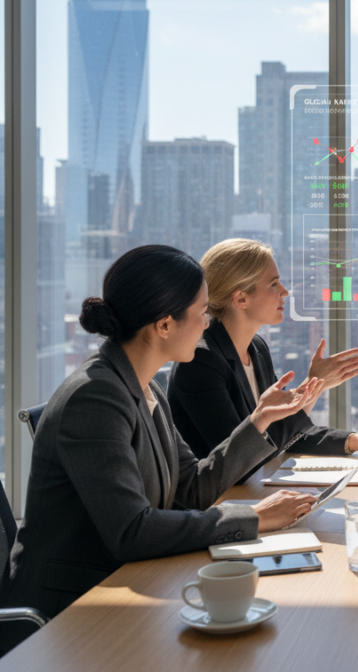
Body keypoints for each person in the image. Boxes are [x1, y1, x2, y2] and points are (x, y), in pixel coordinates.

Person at [0, 246, 322, 653]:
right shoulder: (95, 398)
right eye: (203, 312)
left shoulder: (145, 386)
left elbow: (191, 486)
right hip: (67, 615)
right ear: (164, 325)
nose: (208, 324)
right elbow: (131, 531)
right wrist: (250, 518)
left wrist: (259, 420)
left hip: (125, 586)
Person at [168, 239, 358, 484]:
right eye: (274, 284)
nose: (285, 291)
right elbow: (241, 459)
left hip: (253, 491)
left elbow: (282, 432)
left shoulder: (257, 348)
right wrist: (309, 388)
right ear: (241, 299)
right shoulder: (201, 362)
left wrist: (353, 442)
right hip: (220, 505)